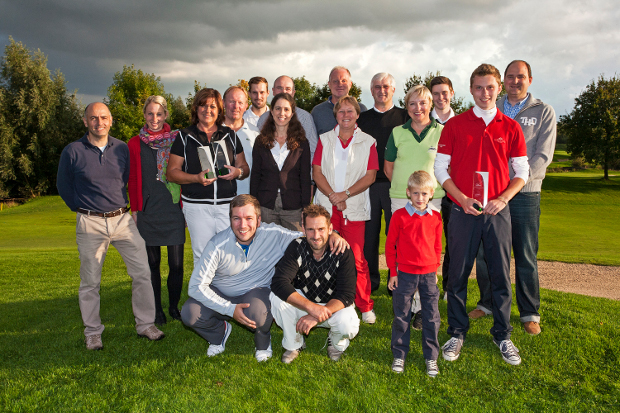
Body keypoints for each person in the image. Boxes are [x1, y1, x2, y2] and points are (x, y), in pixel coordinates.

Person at [434, 63, 529, 366]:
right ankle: (457, 331)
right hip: (463, 210)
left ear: (499, 88)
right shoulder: (456, 125)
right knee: (458, 274)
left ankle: (502, 333)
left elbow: (522, 172)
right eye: (478, 87)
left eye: (490, 87)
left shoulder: (510, 127)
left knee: (500, 274)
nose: (485, 93)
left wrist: (502, 198)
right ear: (471, 89)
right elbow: (440, 168)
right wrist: (460, 198)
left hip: (497, 212)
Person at [180, 195, 349, 362]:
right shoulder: (217, 244)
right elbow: (196, 286)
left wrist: (333, 234)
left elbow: (309, 235)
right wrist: (229, 309)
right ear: (230, 219)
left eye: (249, 218)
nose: (243, 225)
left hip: (254, 293)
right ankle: (219, 334)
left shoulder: (273, 234)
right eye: (236, 218)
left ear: (259, 220)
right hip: (222, 292)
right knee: (189, 314)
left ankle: (263, 343)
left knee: (260, 312)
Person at [57, 102, 165, 350]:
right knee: (90, 282)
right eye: (93, 118)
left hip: (122, 220)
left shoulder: (122, 149)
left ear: (111, 120)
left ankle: (145, 324)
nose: (99, 122)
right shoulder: (72, 151)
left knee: (142, 273)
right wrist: (83, 208)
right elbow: (64, 187)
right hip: (90, 222)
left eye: (103, 117)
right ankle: (93, 332)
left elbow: (127, 178)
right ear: (85, 121)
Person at [469, 60, 557, 336]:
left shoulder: (543, 111)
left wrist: (513, 185)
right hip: (490, 194)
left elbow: (542, 156)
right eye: (510, 77)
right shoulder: (491, 106)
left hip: (524, 194)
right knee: (486, 254)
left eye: (521, 77)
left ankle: (529, 312)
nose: (515, 81)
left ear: (530, 79)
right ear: (502, 81)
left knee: (525, 254)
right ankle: (487, 303)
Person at [166, 88, 250, 268]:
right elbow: (171, 172)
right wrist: (196, 178)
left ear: (219, 109)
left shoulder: (230, 135)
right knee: (203, 257)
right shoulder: (184, 136)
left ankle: (227, 295)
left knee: (229, 255)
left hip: (227, 205)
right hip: (197, 207)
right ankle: (203, 296)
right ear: (196, 108)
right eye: (203, 105)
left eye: (212, 106)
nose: (207, 110)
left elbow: (245, 168)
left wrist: (237, 173)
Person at [313, 96, 378, 324]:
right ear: (336, 115)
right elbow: (317, 172)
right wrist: (334, 196)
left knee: (356, 258)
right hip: (327, 207)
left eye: (351, 111)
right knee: (325, 255)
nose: (346, 115)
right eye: (342, 112)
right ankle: (330, 300)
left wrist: (345, 195)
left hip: (354, 206)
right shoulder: (325, 139)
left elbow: (370, 176)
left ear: (357, 115)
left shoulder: (368, 142)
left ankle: (365, 305)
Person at [384, 85, 445, 329]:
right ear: (406, 107)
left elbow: (447, 166)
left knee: (426, 251)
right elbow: (388, 167)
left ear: (430, 104)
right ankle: (405, 301)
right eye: (412, 103)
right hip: (402, 197)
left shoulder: (441, 131)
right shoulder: (397, 132)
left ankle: (421, 307)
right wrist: (405, 190)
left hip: (432, 199)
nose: (417, 108)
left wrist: (423, 195)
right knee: (402, 249)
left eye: (422, 103)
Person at [270, 204, 360, 363]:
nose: (316, 235)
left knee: (349, 322)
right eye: (311, 229)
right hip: (305, 304)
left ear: (330, 228)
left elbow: (347, 294)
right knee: (276, 299)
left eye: (321, 229)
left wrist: (318, 314)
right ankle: (293, 344)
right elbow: (279, 282)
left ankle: (336, 344)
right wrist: (311, 308)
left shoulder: (342, 250)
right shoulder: (296, 246)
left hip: (332, 305)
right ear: (303, 229)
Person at [128, 95, 185, 325]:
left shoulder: (177, 139)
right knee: (152, 265)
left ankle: (173, 306)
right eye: (150, 114)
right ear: (144, 115)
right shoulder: (134, 143)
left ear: (166, 115)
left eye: (159, 114)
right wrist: (135, 208)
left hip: (172, 209)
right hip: (149, 211)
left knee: (177, 264)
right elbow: (132, 178)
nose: (154, 118)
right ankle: (157, 309)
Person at [386, 171, 442, 377]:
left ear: (431, 194)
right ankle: (399, 354)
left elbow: (437, 246)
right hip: (405, 274)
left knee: (431, 317)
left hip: (428, 275)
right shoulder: (399, 216)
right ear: (408, 193)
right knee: (401, 315)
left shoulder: (435, 217)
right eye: (416, 193)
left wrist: (435, 269)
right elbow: (390, 245)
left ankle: (431, 357)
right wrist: (393, 272)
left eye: (425, 194)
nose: (420, 198)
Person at [357, 72, 409, 292]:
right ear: (371, 91)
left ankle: (394, 280)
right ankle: (371, 280)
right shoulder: (363, 119)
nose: (382, 90)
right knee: (369, 236)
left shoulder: (405, 116)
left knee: (395, 234)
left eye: (386, 86)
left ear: (393, 90)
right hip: (367, 184)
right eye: (377, 87)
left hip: (394, 184)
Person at [250, 93, 311, 230]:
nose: (281, 113)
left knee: (295, 247)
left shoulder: (302, 143)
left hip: (293, 208)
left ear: (292, 113)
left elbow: (305, 178)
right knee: (268, 248)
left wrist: (306, 208)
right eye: (277, 108)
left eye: (286, 109)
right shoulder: (260, 142)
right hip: (265, 206)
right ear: (271, 111)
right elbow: (255, 175)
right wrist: (253, 206)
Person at [429, 76, 457, 300]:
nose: (440, 98)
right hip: (429, 193)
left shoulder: (464, 120)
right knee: (429, 241)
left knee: (453, 241)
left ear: (452, 93)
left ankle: (449, 286)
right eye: (436, 94)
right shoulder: (422, 119)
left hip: (455, 191)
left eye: (444, 92)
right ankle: (429, 285)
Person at [257, 75, 319, 161]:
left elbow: (312, 151)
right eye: (279, 88)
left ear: (293, 93)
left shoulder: (305, 118)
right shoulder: (263, 119)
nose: (284, 92)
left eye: (288, 89)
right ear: (273, 91)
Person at [223, 86, 260, 195]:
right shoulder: (213, 130)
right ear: (223, 103)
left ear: (246, 106)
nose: (236, 106)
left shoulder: (255, 132)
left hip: (247, 198)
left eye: (240, 102)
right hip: (219, 200)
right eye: (232, 101)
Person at [311, 66, 368, 136]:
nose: (340, 84)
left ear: (350, 84)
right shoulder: (317, 112)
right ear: (329, 84)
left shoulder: (361, 109)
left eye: (344, 81)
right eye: (335, 81)